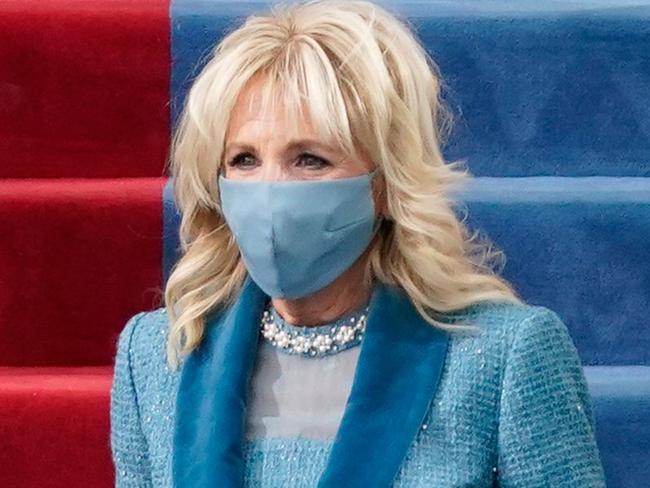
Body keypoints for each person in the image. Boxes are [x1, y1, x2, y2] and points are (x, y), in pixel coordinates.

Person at [110, 1, 608, 486]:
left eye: (309, 159)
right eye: (243, 159)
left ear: (386, 183)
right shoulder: (158, 355)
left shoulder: (503, 356)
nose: (270, 190)